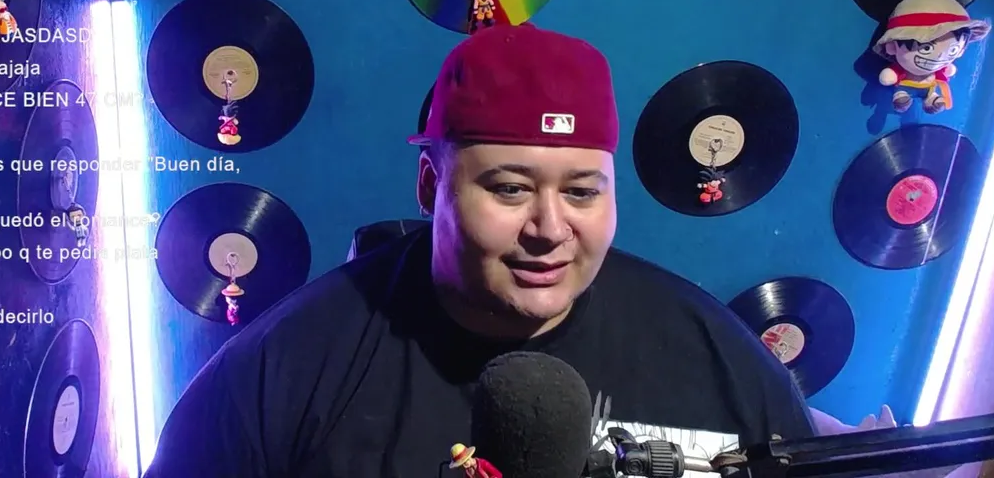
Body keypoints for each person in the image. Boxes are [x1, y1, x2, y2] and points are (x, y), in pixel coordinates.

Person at [146, 23, 813, 478]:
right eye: (510, 188)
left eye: (582, 192)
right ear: (430, 186)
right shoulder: (285, 370)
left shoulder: (715, 356)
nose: (550, 228)